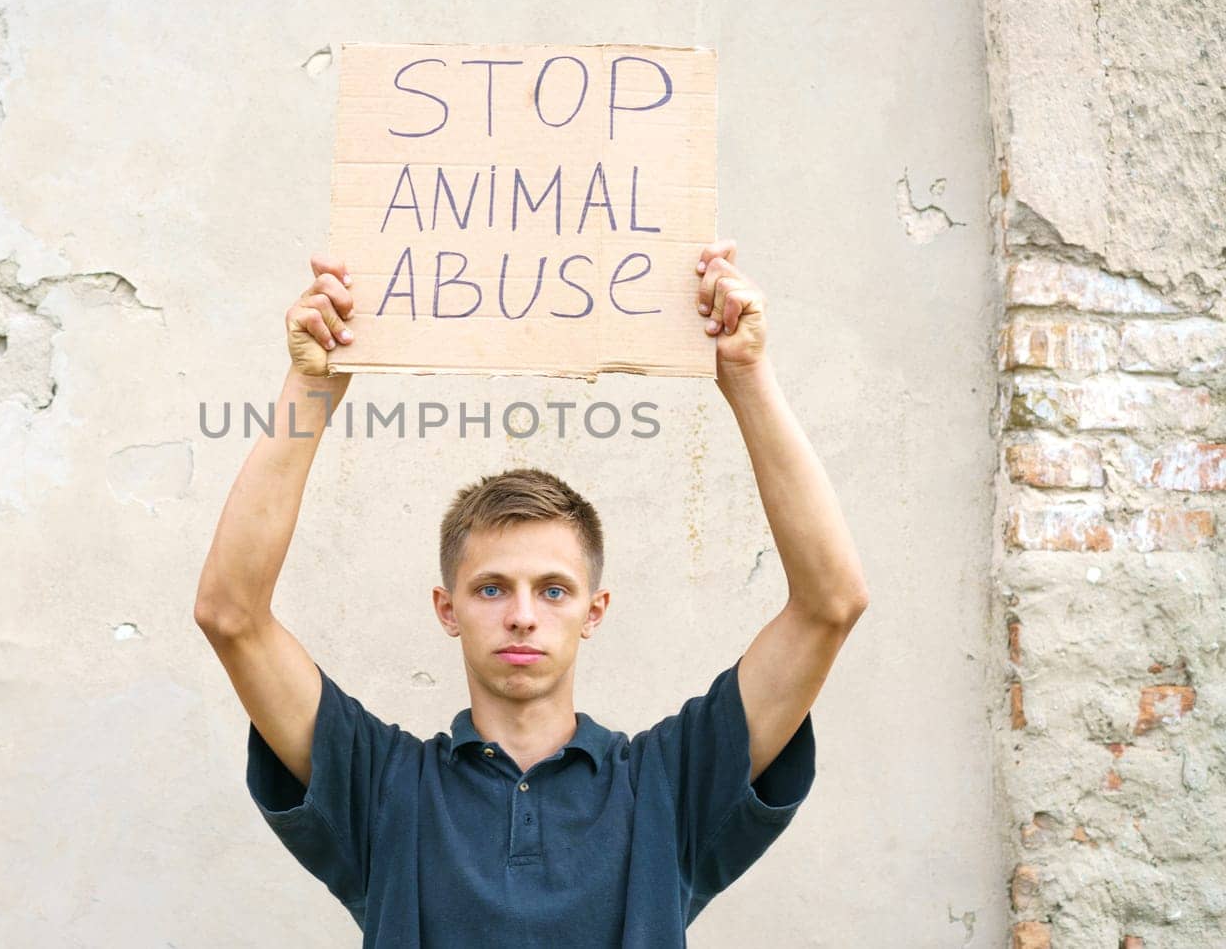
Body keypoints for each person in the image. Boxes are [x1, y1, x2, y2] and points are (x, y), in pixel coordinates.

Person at [193, 240, 869, 947]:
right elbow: (230, 613)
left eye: (553, 589)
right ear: (446, 608)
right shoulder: (386, 787)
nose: (522, 615)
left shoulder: (666, 787)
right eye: (491, 587)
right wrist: (311, 388)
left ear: (594, 610)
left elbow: (831, 603)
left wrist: (749, 376)